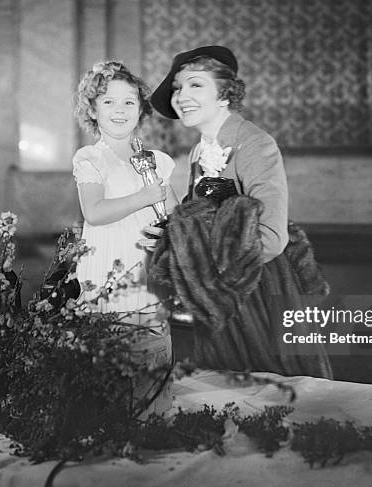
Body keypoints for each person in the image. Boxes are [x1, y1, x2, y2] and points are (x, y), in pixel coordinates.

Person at [148, 46, 332, 378]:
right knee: (225, 401)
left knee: (275, 396)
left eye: (195, 85)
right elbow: (202, 217)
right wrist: (171, 234)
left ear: (224, 94)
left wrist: (211, 272)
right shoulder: (198, 152)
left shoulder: (255, 144)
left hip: (257, 292)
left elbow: (273, 238)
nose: (180, 96)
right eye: (177, 88)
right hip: (219, 298)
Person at [72, 60, 177, 319]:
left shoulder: (157, 160)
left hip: (148, 273)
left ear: (141, 110)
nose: (120, 110)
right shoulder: (91, 158)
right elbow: (94, 212)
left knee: (152, 347)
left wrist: (168, 232)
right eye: (108, 102)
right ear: (93, 111)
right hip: (110, 270)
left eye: (129, 102)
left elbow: (175, 215)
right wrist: (143, 197)